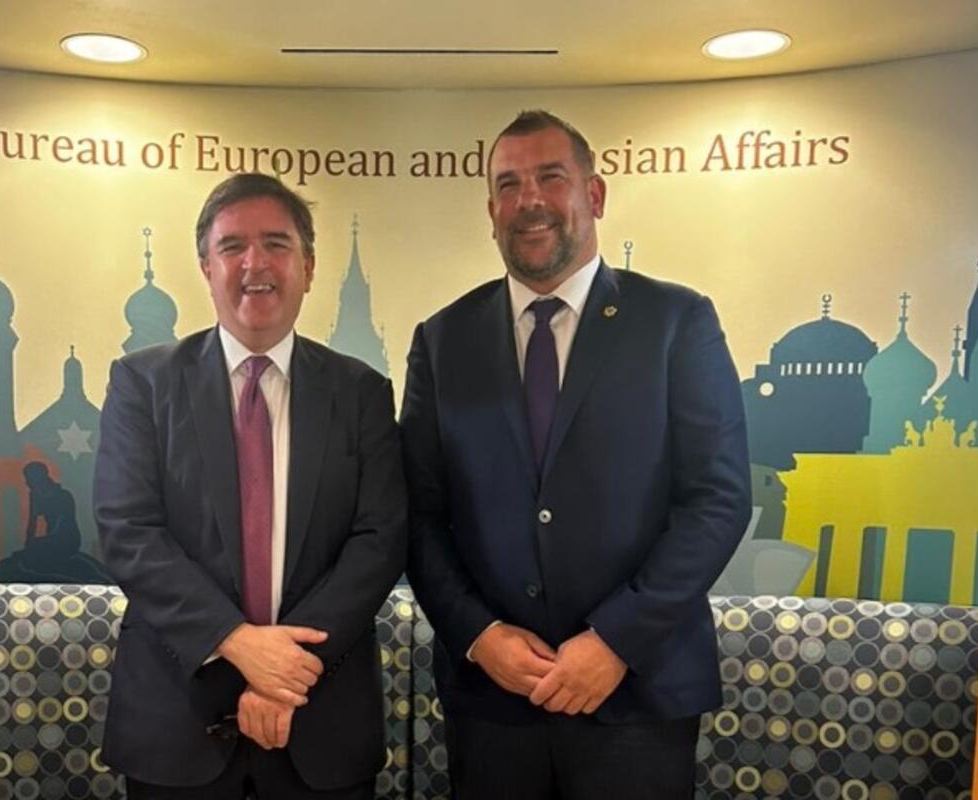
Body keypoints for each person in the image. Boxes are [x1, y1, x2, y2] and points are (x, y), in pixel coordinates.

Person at [400, 110, 752, 799]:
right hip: (494, 700)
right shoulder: (442, 340)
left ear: (594, 194)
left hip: (638, 691)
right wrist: (479, 635)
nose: (528, 199)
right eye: (508, 185)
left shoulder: (676, 321)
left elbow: (718, 498)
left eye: (550, 178)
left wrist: (616, 639)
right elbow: (418, 513)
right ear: (491, 212)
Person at [94, 173, 407, 799]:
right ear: (206, 266)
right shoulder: (142, 384)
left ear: (308, 267)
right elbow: (128, 531)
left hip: (321, 719)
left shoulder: (362, 392)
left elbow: (380, 540)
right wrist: (236, 643)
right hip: (177, 723)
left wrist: (285, 671)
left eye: (276, 244)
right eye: (233, 246)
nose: (254, 263)